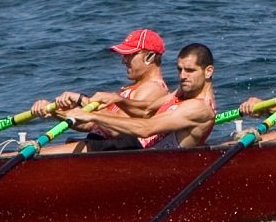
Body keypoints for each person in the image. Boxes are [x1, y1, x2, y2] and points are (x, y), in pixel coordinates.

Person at [38, 28, 175, 153]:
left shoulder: (153, 88)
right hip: (101, 146)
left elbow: (116, 129)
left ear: (149, 57)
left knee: (30, 155)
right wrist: (53, 111)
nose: (124, 61)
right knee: (27, 154)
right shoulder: (130, 89)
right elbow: (91, 124)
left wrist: (81, 100)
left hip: (116, 150)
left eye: (129, 55)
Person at [73, 43, 218, 150]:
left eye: (190, 70)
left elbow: (146, 129)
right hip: (134, 149)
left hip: (150, 163)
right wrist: (118, 100)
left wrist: (94, 116)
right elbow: (147, 111)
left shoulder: (199, 108)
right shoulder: (183, 92)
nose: (182, 76)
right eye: (179, 70)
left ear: (208, 71)